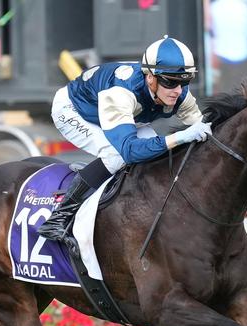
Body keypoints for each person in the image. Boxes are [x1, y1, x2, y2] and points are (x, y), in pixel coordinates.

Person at [38, 36, 212, 242]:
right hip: (74, 110)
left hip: (120, 115)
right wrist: (180, 136)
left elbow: (205, 128)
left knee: (157, 156)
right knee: (116, 157)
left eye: (185, 82)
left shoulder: (180, 93)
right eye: (170, 82)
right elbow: (130, 151)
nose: (178, 90)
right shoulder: (121, 92)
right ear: (150, 78)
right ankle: (59, 217)